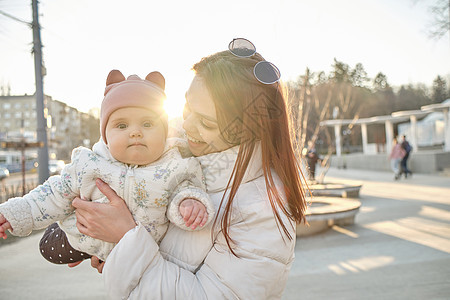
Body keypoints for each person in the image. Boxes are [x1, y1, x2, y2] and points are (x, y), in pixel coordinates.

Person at [70, 38, 308, 299]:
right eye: (187, 107)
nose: (187, 126)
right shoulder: (177, 156)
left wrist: (126, 238)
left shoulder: (263, 211)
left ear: (246, 130)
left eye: (206, 121)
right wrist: (109, 246)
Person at [0, 70, 214, 266]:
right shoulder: (89, 164)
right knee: (49, 247)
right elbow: (54, 192)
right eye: (122, 125)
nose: (135, 132)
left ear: (165, 131)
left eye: (148, 124)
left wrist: (189, 204)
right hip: (88, 239)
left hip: (136, 252)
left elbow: (187, 189)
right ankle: (68, 228)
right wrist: (16, 213)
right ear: (106, 136)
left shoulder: (175, 167)